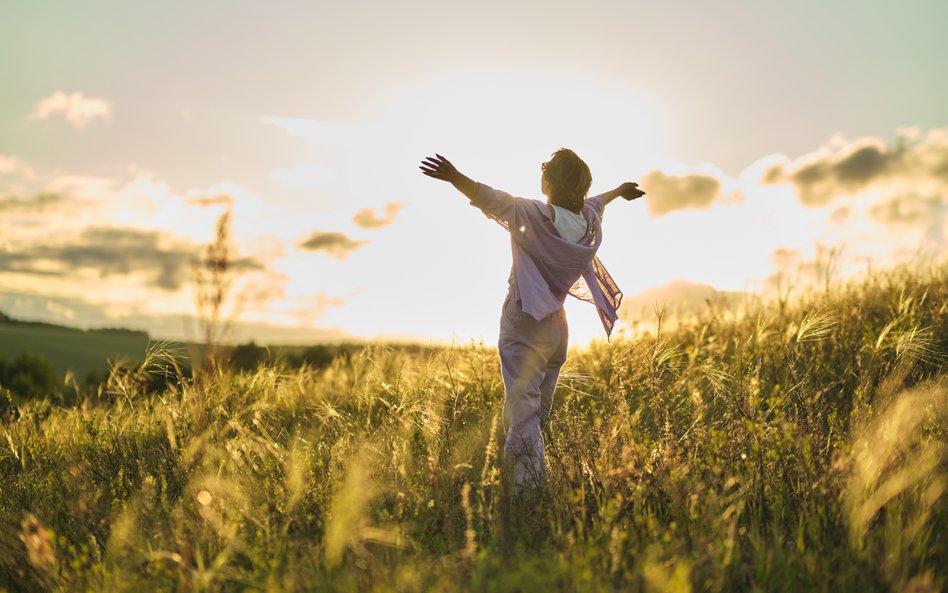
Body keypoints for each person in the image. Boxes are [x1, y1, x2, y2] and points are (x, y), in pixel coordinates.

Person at [419, 149, 645, 493]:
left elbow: (489, 197)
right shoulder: (588, 220)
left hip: (524, 322)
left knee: (523, 414)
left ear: (548, 182)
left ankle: (527, 495)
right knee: (536, 413)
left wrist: (454, 177)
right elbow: (599, 202)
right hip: (557, 328)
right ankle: (534, 481)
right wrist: (619, 190)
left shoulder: (533, 213)